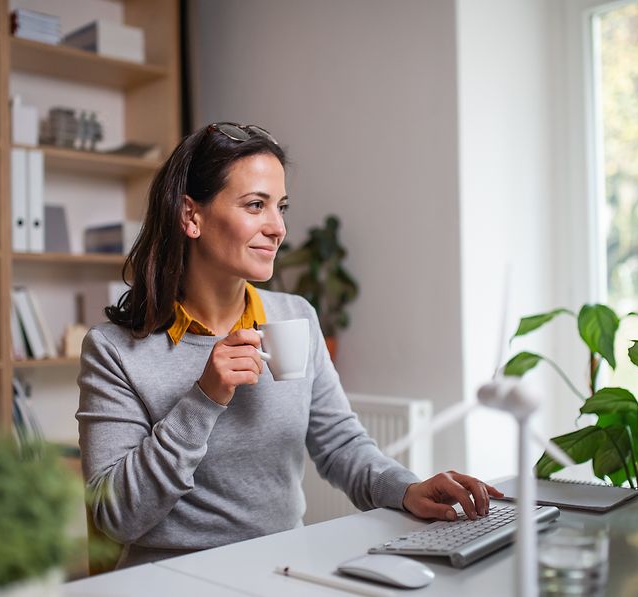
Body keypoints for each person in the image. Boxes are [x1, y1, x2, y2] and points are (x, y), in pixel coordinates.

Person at [77, 122, 502, 568]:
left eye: (280, 207)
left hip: (282, 567)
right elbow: (115, 516)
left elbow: (340, 445)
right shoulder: (113, 351)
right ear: (191, 216)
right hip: (174, 576)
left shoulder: (294, 317)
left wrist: (407, 489)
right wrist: (202, 400)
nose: (277, 228)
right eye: (255, 205)